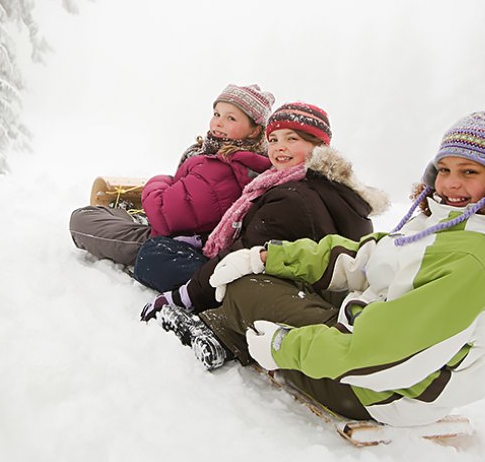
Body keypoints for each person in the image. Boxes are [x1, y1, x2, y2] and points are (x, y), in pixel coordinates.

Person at [175, 108, 485, 426]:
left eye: (469, 172)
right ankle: (233, 324)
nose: (450, 184)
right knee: (273, 275)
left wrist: (283, 346)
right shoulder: (446, 226)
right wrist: (267, 256)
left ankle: (230, 330)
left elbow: (382, 355)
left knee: (250, 290)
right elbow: (367, 257)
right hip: (375, 346)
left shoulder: (475, 259)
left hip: (382, 391)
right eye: (444, 170)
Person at [136, 102, 389, 326]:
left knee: (153, 256)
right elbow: (254, 235)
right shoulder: (320, 184)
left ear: (319, 146)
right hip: (300, 283)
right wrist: (203, 240)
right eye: (275, 139)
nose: (279, 148)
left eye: (292, 139)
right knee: (165, 250)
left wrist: (184, 296)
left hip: (282, 292)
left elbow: (243, 257)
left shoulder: (293, 196)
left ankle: (219, 323)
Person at [68, 84, 274, 266]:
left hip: (170, 244)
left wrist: (160, 181)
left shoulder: (225, 166)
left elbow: (165, 217)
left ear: (254, 131)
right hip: (183, 229)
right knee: (106, 215)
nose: (218, 123)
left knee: (83, 220)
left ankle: (130, 214)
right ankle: (130, 213)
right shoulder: (239, 160)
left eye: (231, 118)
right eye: (217, 114)